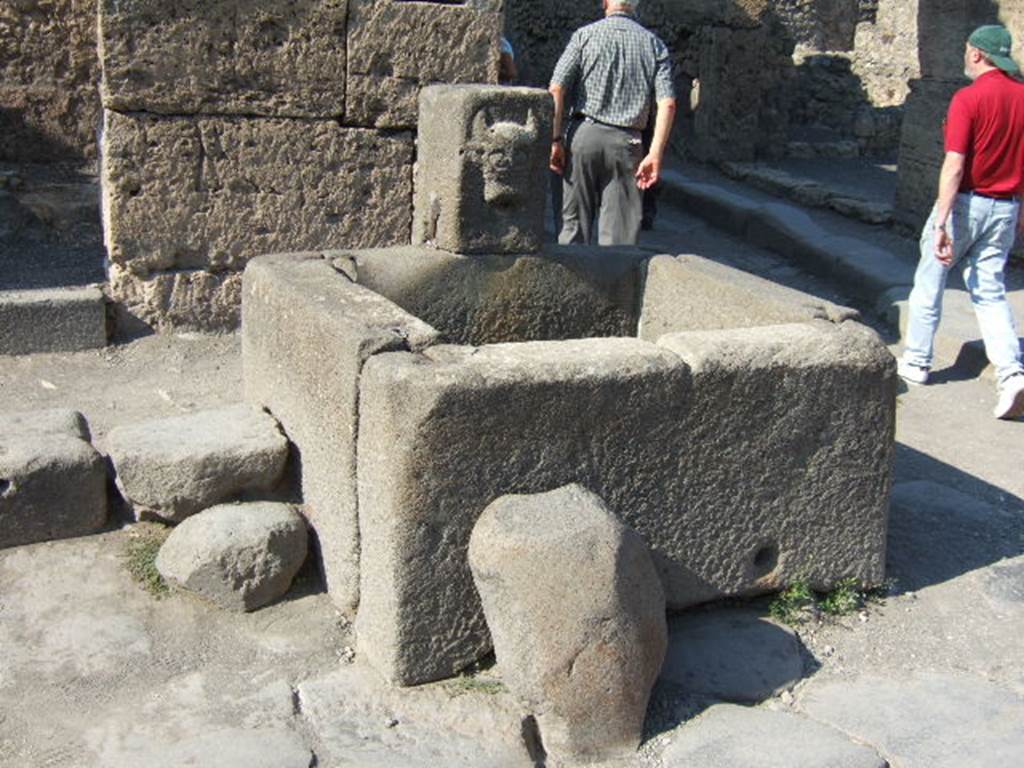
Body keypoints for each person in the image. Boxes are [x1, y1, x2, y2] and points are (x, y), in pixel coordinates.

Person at [898, 24, 1024, 420]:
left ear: (975, 54)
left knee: (930, 278)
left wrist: (942, 219)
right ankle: (1012, 372)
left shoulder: (968, 99)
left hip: (967, 203)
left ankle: (917, 361)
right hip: (1007, 206)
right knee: (989, 291)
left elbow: (955, 163)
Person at [548, 0, 676, 246]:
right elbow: (667, 104)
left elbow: (556, 88)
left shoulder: (584, 36)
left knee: (572, 229)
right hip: (628, 143)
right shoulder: (654, 45)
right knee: (620, 242)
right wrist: (655, 154)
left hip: (583, 136)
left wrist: (555, 139)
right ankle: (612, 283)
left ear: (605, 2)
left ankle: (572, 280)